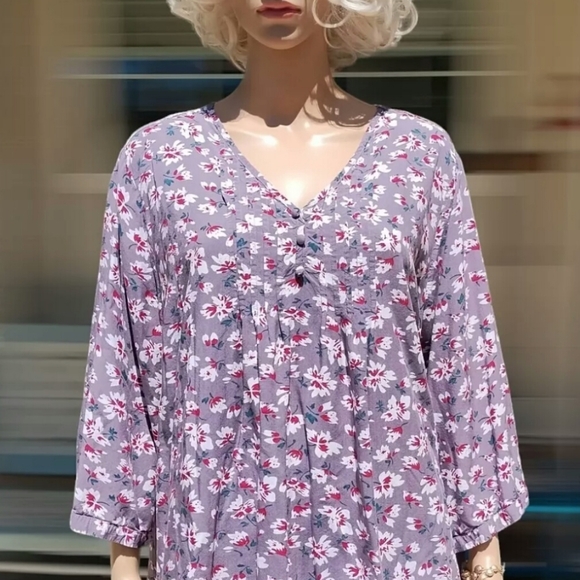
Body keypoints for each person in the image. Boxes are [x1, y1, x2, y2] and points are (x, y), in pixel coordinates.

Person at [69, 1, 529, 579]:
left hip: (393, 533)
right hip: (218, 535)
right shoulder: (158, 160)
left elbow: (462, 351)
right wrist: (123, 557)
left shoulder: (419, 157)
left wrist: (482, 546)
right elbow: (125, 359)